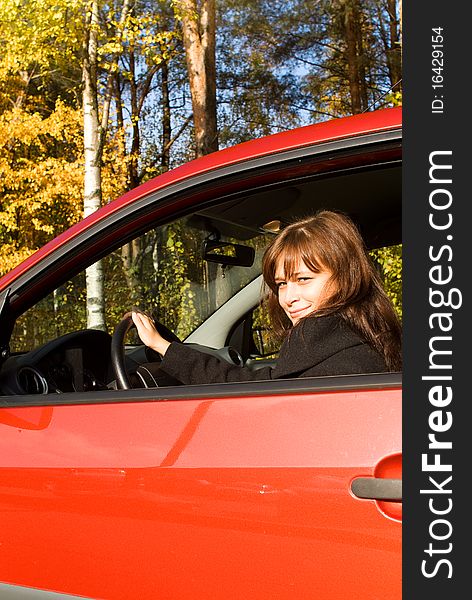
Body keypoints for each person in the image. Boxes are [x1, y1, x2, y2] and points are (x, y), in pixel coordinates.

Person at [131, 210, 402, 385]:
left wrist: (165, 348)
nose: (288, 298)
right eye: (281, 284)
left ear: (346, 277)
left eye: (304, 279)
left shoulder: (331, 350)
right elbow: (262, 383)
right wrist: (166, 348)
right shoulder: (368, 336)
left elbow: (246, 389)